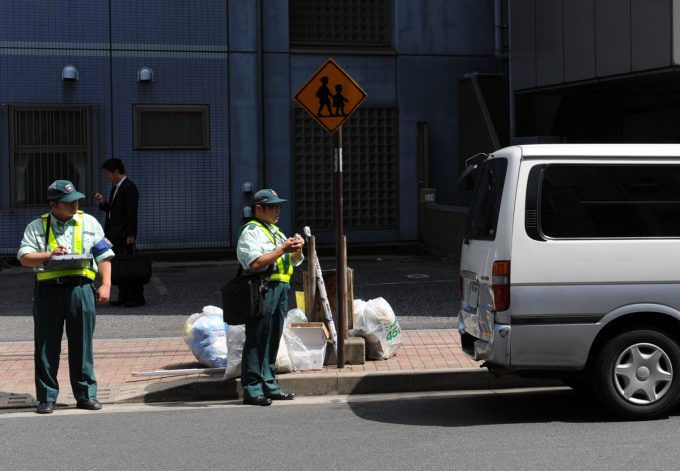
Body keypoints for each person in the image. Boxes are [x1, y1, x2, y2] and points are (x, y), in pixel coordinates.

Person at [17, 180, 115, 414]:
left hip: (81, 290)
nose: (75, 205)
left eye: (77, 200)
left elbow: (104, 256)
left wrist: (106, 285)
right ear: (53, 204)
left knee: (82, 344)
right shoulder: (36, 226)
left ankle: (86, 395)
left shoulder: (89, 222)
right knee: (46, 346)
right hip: (48, 291)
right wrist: (49, 254)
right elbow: (23, 257)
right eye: (69, 202)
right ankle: (47, 398)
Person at [236, 189, 304, 406]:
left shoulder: (274, 230)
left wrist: (296, 250)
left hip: (281, 288)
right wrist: (283, 248)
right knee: (257, 337)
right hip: (262, 288)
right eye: (273, 206)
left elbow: (292, 262)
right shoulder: (251, 231)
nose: (278, 211)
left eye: (279, 206)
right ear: (259, 209)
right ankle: (252, 389)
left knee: (273, 337)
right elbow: (254, 263)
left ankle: (269, 385)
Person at [93, 158, 144, 307]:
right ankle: (124, 296)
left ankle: (137, 297)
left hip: (123, 234)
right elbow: (114, 211)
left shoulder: (129, 188)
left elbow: (131, 213)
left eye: (108, 174)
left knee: (128, 266)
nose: (108, 177)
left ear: (116, 172)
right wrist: (103, 203)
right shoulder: (116, 187)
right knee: (120, 267)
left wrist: (130, 235)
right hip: (114, 233)